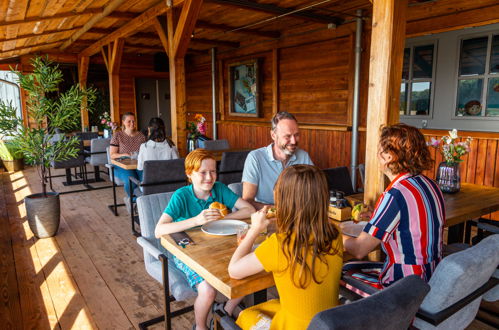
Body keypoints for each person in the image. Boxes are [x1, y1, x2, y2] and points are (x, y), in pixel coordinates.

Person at [229, 164, 343, 330]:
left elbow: (234, 270)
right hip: (330, 322)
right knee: (274, 304)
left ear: (284, 202)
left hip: (296, 327)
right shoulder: (335, 233)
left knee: (245, 314)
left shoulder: (279, 244)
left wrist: (254, 230)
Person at [154, 149, 255, 330]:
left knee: (251, 273)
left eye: (213, 171)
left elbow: (249, 210)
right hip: (189, 253)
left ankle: (226, 310)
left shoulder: (220, 189)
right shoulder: (181, 196)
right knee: (208, 291)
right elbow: (159, 230)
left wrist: (222, 219)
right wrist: (197, 220)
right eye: (203, 172)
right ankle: (200, 326)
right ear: (189, 174)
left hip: (220, 248)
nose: (209, 177)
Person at [342, 123, 445, 295]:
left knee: (345, 269)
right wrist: (376, 216)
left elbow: (359, 249)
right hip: (433, 277)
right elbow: (411, 223)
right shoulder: (431, 185)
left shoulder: (395, 194)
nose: (377, 154)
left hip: (404, 288)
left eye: (380, 149)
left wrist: (335, 233)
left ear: (389, 156)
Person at [242, 111, 313, 209]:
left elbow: (314, 192)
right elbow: (247, 201)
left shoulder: (303, 156)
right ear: (273, 135)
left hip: (298, 214)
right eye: (287, 136)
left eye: (296, 135)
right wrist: (280, 210)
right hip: (266, 216)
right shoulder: (255, 158)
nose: (293, 141)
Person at [109, 112, 146, 196]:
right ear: (123, 122)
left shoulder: (141, 136)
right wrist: (124, 154)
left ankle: (141, 200)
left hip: (138, 164)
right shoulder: (117, 135)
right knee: (131, 181)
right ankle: (131, 200)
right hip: (121, 165)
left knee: (145, 181)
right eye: (129, 121)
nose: (132, 123)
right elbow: (112, 155)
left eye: (133, 121)